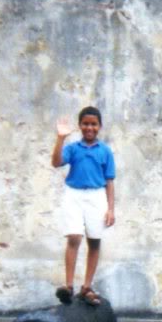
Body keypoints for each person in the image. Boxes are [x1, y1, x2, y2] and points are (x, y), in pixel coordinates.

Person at [51, 105, 116, 306]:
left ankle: (86, 286)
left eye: (93, 124)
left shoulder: (105, 151)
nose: (89, 128)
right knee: (74, 237)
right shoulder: (73, 148)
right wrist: (60, 138)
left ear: (99, 126)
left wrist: (111, 209)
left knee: (94, 240)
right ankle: (69, 286)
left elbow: (109, 181)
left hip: (97, 196)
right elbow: (56, 162)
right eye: (85, 124)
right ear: (80, 125)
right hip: (74, 195)